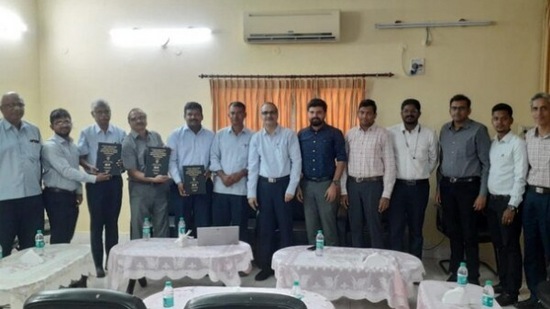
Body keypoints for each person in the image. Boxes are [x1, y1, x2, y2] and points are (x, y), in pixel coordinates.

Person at [436, 94, 491, 285]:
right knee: (454, 232)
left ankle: (474, 276)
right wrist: (438, 188)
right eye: (454, 108)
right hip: (447, 186)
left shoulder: (478, 130)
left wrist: (482, 193)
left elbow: (486, 164)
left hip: (469, 188)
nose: (457, 111)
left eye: (461, 108)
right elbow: (441, 162)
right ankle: (456, 271)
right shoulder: (444, 130)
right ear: (450, 110)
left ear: (468, 110)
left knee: (469, 233)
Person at [247, 102, 301, 281]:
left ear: (277, 114)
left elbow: (296, 163)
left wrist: (291, 188)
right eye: (264, 113)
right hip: (264, 187)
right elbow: (253, 167)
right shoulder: (256, 138)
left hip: (283, 186)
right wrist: (251, 193)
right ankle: (266, 266)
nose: (268, 116)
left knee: (286, 228)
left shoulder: (289, 135)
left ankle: (287, 268)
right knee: (265, 228)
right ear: (260, 115)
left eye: (271, 112)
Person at [42, 108, 110, 244]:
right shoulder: (50, 146)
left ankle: (63, 263)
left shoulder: (73, 146)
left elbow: (75, 168)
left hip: (70, 196)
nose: (64, 124)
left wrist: (79, 191)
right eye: (59, 122)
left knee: (67, 236)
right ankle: (56, 264)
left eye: (66, 121)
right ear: (52, 126)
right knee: (59, 236)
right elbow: (66, 171)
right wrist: (94, 178)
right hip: (56, 197)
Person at [484, 103, 527, 306]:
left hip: (508, 203)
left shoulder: (517, 143)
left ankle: (512, 291)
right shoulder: (492, 143)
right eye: (495, 118)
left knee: (510, 248)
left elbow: (520, 177)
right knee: (499, 245)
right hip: (492, 202)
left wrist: (512, 206)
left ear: (510, 120)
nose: (499, 122)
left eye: (503, 118)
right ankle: (503, 281)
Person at [78, 99, 126, 278]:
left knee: (112, 223)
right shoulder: (87, 133)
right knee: (96, 224)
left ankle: (110, 261)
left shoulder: (120, 132)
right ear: (93, 114)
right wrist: (89, 167)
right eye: (99, 112)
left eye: (106, 111)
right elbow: (80, 157)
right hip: (96, 183)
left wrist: (121, 163)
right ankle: (98, 264)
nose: (104, 115)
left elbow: (125, 156)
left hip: (114, 182)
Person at [341, 99, 396, 249]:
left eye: (369, 113)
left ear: (375, 115)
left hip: (373, 185)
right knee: (355, 225)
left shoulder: (383, 134)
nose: (365, 116)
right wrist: (344, 191)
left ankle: (377, 261)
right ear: (358, 113)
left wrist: (386, 194)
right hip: (352, 185)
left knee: (374, 225)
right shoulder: (350, 134)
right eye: (362, 113)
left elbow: (390, 165)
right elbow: (343, 164)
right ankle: (357, 262)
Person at [387, 98, 438, 259]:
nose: (409, 114)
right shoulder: (390, 132)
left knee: (416, 228)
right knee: (396, 228)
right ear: (401, 113)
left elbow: (434, 159)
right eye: (406, 111)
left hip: (419, 187)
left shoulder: (429, 133)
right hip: (397, 187)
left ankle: (415, 265)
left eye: (413, 111)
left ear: (419, 113)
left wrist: (420, 173)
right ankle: (396, 263)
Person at [297, 98, 346, 246]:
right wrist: (298, 185)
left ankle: (332, 264)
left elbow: (342, 160)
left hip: (327, 185)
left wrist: (335, 184)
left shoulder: (335, 133)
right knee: (311, 227)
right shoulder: (301, 134)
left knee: (329, 227)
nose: (315, 115)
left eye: (318, 112)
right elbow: (297, 161)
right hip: (307, 185)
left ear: (324, 113)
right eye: (312, 112)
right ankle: (315, 263)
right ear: (308, 114)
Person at [0, 92, 43, 257]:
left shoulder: (33, 130)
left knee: (32, 247)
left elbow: (41, 161)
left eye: (20, 104)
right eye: (11, 105)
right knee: (4, 246)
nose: (16, 108)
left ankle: (33, 281)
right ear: (2, 109)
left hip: (33, 198)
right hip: (5, 201)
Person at [517, 93, 550, 309]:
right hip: (531, 197)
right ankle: (536, 297)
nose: (539, 113)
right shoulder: (528, 136)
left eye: (544, 108)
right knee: (532, 249)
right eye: (535, 109)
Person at [121, 108, 171, 240]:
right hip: (140, 190)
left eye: (142, 117)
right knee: (140, 227)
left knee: (162, 226)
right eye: (134, 118)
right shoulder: (127, 143)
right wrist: (153, 179)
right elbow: (132, 172)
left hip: (160, 188)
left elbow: (162, 158)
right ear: (129, 122)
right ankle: (138, 258)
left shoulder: (155, 136)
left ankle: (162, 257)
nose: (139, 120)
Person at [168, 102, 215, 235]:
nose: (193, 117)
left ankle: (203, 254)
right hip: (180, 186)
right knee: (182, 222)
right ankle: (182, 253)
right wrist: (178, 182)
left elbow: (215, 158)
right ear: (184, 116)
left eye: (196, 114)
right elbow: (171, 161)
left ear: (202, 116)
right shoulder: (175, 135)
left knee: (203, 222)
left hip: (204, 184)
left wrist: (209, 170)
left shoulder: (211, 136)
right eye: (190, 114)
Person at [210, 101, 253, 242]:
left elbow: (254, 162)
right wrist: (222, 176)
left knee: (240, 231)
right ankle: (219, 261)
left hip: (241, 191)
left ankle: (242, 262)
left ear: (245, 115)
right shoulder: (220, 135)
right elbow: (213, 157)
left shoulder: (252, 136)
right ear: (228, 115)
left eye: (239, 113)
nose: (236, 116)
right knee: (219, 230)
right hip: (220, 190)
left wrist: (239, 174)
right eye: (233, 113)